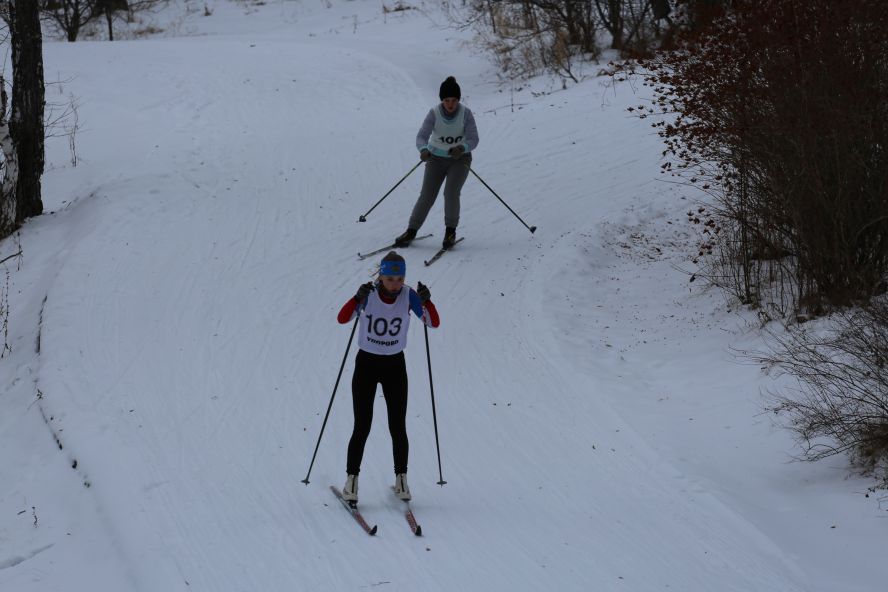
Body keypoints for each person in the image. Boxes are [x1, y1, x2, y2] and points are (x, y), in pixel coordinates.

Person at [336, 251, 440, 503]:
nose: (395, 284)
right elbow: (342, 318)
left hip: (394, 365)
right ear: (381, 276)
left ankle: (402, 480)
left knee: (397, 425)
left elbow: (432, 323)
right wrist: (356, 298)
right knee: (362, 425)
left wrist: (427, 302)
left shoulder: (409, 295)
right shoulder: (368, 294)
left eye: (400, 278)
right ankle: (352, 481)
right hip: (367, 364)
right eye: (391, 278)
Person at [394, 76, 479, 250]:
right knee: (427, 195)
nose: (450, 104)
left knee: (451, 193)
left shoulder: (466, 113)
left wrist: (462, 148)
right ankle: (411, 231)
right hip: (435, 159)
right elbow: (421, 137)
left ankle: (450, 232)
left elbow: (473, 139)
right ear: (442, 100)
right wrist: (423, 149)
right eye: (446, 100)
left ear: (458, 99)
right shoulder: (434, 113)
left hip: (459, 159)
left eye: (454, 100)